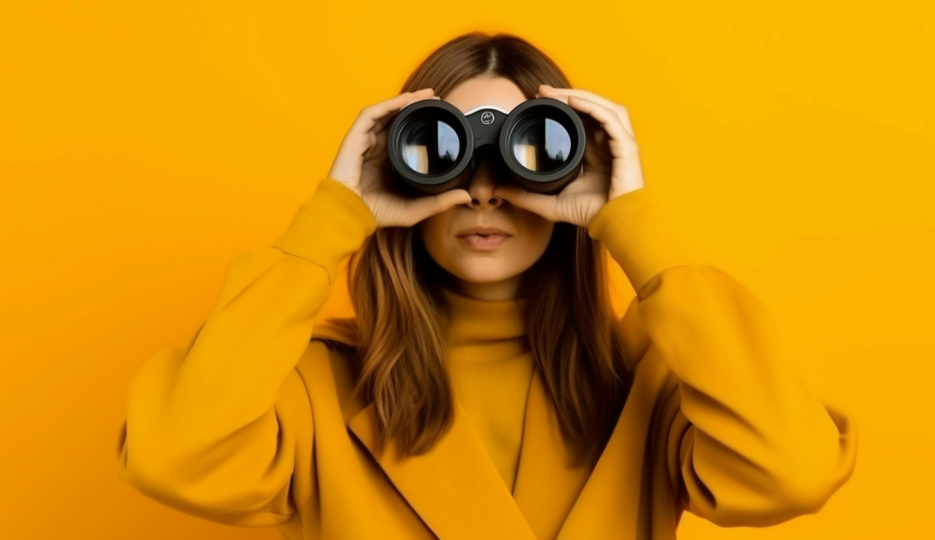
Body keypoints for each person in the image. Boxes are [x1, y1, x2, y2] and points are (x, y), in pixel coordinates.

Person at [116, 32, 858, 540]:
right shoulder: (314, 385)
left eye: (525, 151)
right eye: (441, 150)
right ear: (400, 164)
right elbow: (174, 457)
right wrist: (334, 216)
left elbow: (792, 472)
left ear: (571, 168)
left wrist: (632, 223)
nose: (482, 190)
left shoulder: (652, 378)